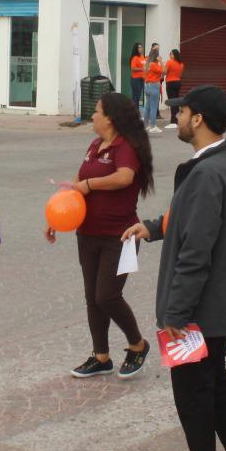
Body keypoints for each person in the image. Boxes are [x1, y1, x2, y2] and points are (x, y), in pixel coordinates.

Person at [124, 85, 226, 451]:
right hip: (212, 303)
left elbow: (196, 251)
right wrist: (152, 227)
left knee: (193, 387)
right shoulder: (220, 163)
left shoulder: (207, 173)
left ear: (197, 118)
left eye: (181, 112)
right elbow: (189, 221)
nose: (177, 117)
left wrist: (176, 312)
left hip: (196, 308)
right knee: (214, 377)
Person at [53, 91, 154, 381]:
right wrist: (57, 214)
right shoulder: (95, 144)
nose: (93, 116)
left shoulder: (126, 146)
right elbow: (75, 185)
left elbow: (124, 177)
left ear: (109, 118)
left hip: (122, 236)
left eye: (97, 111)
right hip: (88, 234)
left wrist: (88, 184)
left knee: (107, 295)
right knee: (92, 298)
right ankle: (101, 357)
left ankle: (137, 345)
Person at [143, 44, 165, 131]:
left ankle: (146, 125)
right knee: (153, 107)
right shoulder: (154, 64)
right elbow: (163, 71)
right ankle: (153, 126)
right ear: (156, 56)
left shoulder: (147, 64)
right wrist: (161, 62)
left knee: (147, 107)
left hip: (147, 86)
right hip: (154, 86)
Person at [163, 49, 185, 124]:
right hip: (178, 82)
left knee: (171, 101)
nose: (169, 55)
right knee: (176, 101)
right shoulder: (181, 64)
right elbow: (180, 74)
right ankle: (176, 118)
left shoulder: (169, 62)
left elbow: (164, 72)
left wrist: (162, 64)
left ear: (174, 55)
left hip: (170, 82)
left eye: (170, 53)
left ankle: (173, 120)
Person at [128, 43, 146, 110]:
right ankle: (134, 113)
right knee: (135, 97)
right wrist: (142, 69)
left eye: (141, 47)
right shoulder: (135, 58)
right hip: (135, 79)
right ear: (136, 49)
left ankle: (136, 112)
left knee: (138, 97)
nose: (141, 49)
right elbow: (133, 68)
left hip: (142, 79)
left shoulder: (142, 57)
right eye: (139, 47)